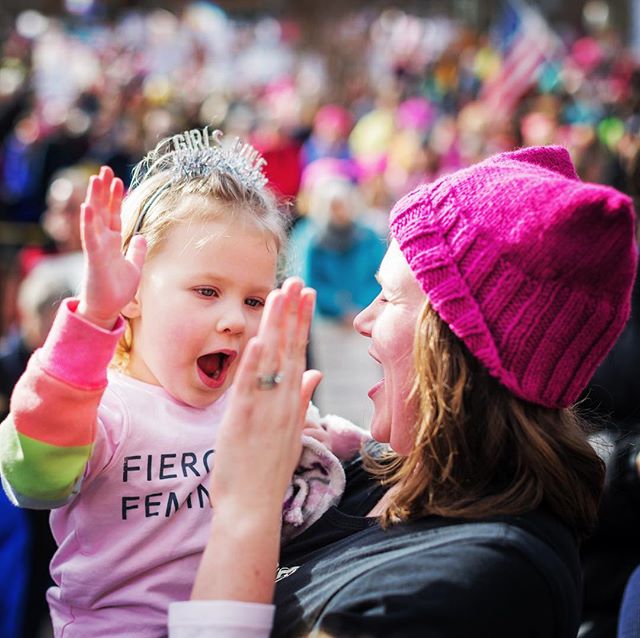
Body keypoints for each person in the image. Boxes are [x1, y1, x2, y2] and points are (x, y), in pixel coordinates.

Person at [168, 145, 638, 637]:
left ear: (456, 345)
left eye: (389, 296)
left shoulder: (476, 584)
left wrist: (247, 507)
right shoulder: (375, 470)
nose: (362, 320)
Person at [0, 127, 356, 638]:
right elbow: (31, 479)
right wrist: (94, 319)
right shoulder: (106, 405)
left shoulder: (244, 396)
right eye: (207, 291)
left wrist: (335, 445)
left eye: (255, 300)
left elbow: (327, 444)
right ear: (133, 295)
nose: (236, 319)